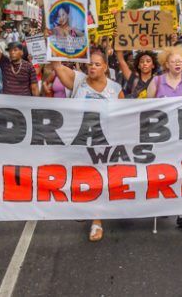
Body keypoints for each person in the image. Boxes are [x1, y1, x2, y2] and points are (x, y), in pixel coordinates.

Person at [51, 51, 124, 242]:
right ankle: (85, 206)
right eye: (90, 64)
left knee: (99, 180)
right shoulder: (78, 81)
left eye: (97, 64)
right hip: (80, 141)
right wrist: (51, 41)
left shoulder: (115, 89)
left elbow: (126, 115)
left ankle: (97, 221)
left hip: (104, 143)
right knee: (82, 177)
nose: (92, 67)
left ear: (106, 67)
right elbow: (57, 66)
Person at [146, 46, 182, 228]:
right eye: (173, 61)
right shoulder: (157, 81)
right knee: (162, 171)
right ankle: (160, 205)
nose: (177, 64)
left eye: (180, 61)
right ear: (166, 64)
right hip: (161, 135)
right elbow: (145, 108)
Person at [0, 25, 39, 96]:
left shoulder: (29, 66)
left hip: (23, 104)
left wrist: (36, 104)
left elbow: (34, 87)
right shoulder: (5, 62)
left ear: (22, 52)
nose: (12, 52)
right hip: (6, 103)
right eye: (10, 50)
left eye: (15, 50)